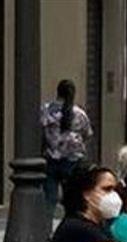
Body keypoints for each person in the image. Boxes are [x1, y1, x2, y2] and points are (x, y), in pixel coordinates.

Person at [41, 79, 94, 214]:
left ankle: (46, 228)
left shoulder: (46, 110)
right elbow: (87, 133)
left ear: (57, 92)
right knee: (71, 197)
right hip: (72, 160)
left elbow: (39, 129)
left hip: (51, 157)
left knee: (49, 197)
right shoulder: (79, 113)